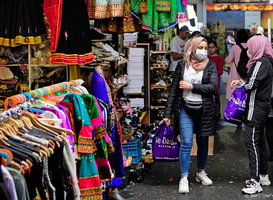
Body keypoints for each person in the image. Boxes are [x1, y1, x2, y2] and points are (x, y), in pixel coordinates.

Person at [163, 36, 218, 194]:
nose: (203, 51)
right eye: (200, 48)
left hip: (204, 110)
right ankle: (184, 177)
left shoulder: (210, 65)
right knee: (186, 143)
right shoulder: (182, 65)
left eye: (205, 48)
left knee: (203, 143)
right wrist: (167, 113)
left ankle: (200, 172)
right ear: (192, 48)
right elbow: (174, 90)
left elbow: (213, 87)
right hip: (184, 109)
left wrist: (192, 86)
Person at [231, 36, 273, 195]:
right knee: (260, 141)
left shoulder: (261, 62)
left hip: (256, 108)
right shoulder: (268, 60)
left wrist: (240, 84)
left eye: (250, 47)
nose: (248, 50)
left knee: (252, 142)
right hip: (262, 106)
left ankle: (254, 181)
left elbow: (253, 83)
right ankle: (263, 175)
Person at [225, 29, 249, 99]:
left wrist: (225, 58)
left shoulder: (235, 47)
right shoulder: (250, 46)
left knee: (234, 96)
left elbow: (228, 61)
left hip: (236, 74)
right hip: (247, 74)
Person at [208, 41, 223, 119]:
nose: (211, 50)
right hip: (207, 81)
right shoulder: (206, 57)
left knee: (217, 97)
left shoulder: (218, 58)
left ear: (216, 48)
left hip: (216, 81)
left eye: (212, 47)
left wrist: (210, 72)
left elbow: (221, 71)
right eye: (209, 48)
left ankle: (217, 113)